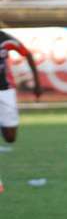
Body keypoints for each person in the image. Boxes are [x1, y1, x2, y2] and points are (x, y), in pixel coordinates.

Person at [0, 30, 41, 193]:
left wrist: (37, 82)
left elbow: (27, 54)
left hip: (5, 91)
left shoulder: (4, 39)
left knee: (11, 137)